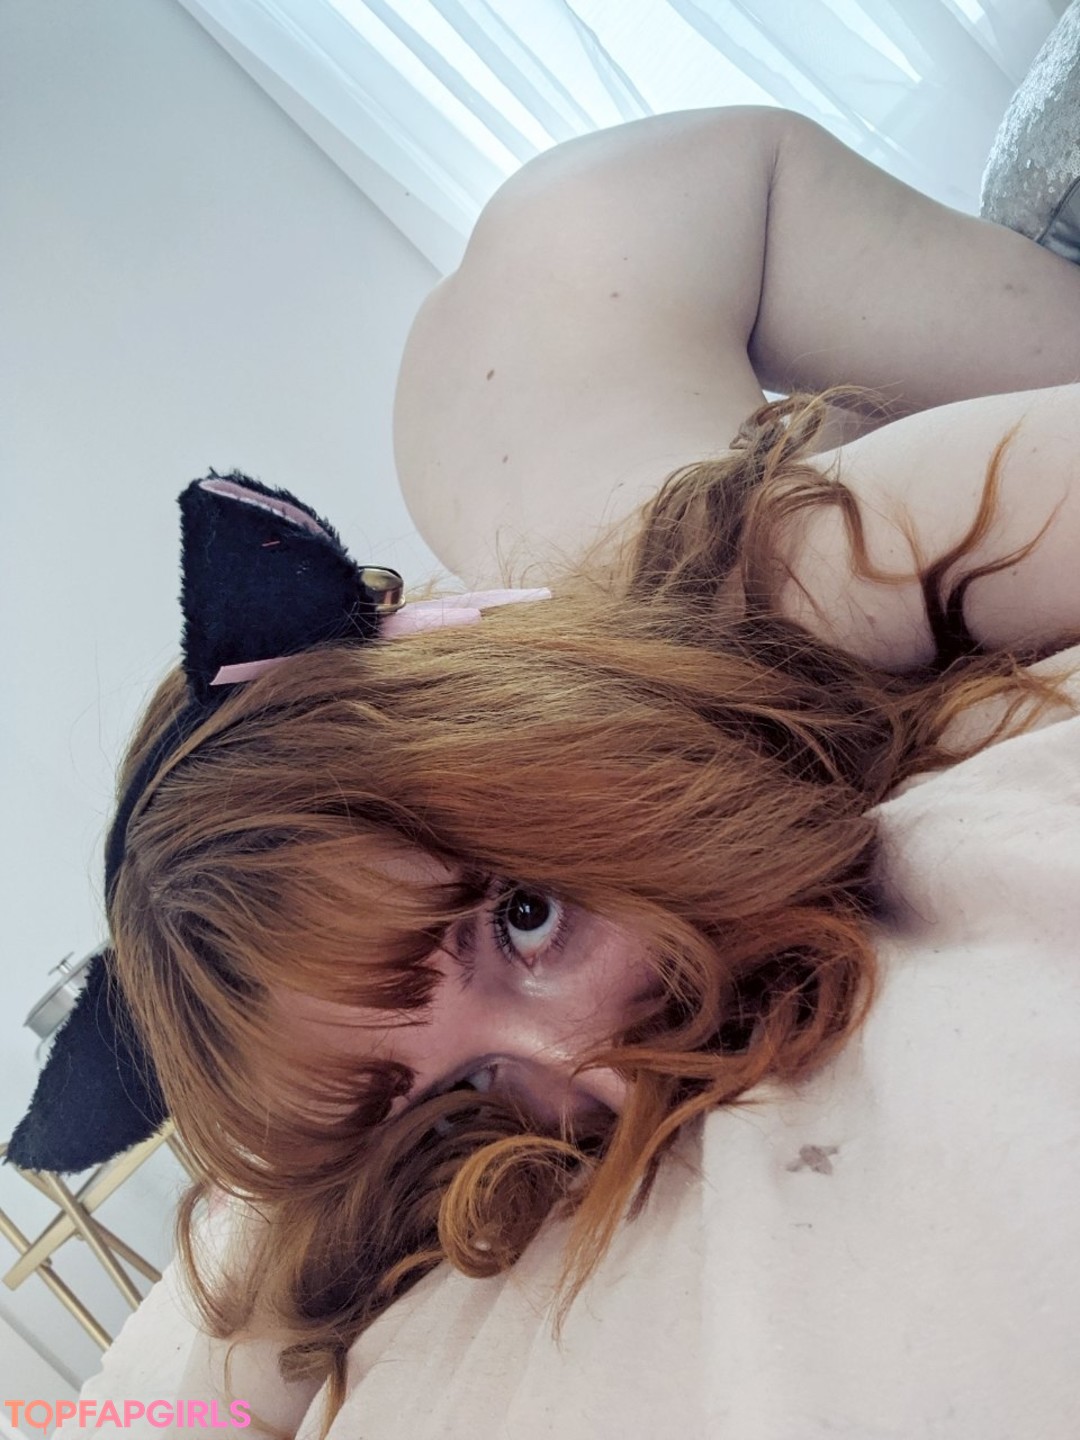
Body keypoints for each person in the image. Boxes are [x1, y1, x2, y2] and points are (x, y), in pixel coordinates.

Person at [15, 106, 1080, 1431]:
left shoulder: (776, 575)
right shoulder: (411, 984)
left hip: (651, 231)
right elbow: (259, 1325)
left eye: (524, 918)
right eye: (465, 1088)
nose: (600, 1072)